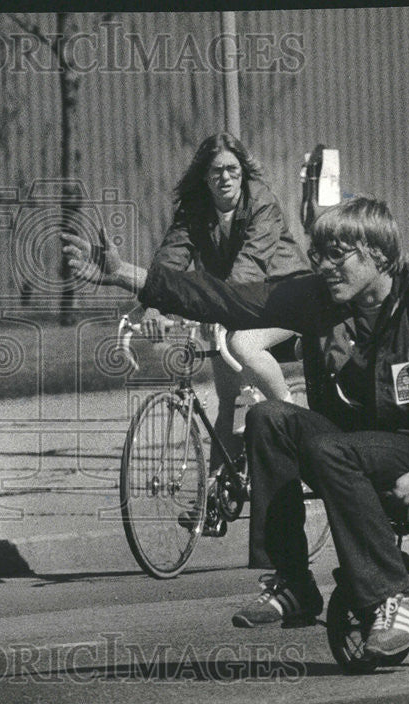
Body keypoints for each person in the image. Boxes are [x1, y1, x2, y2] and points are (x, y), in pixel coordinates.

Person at [63, 196, 409, 657]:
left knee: (330, 450)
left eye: (339, 255)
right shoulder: (319, 297)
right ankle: (293, 582)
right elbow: (226, 299)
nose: (326, 266)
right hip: (344, 449)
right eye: (320, 255)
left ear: (378, 254)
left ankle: (397, 596)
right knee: (268, 418)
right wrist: (126, 275)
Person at [141, 133, 309, 466]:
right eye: (216, 170)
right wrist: (154, 305)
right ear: (204, 175)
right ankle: (216, 495)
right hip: (230, 303)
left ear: (243, 171)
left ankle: (298, 425)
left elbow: (250, 266)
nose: (225, 178)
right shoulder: (194, 209)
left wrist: (215, 310)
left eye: (232, 169)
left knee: (242, 344)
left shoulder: (262, 203)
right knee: (230, 402)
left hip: (283, 295)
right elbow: (171, 258)